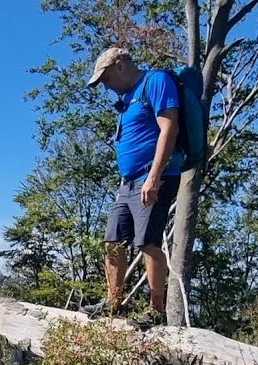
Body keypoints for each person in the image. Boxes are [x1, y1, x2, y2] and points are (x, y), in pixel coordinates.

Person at [82, 47, 183, 326]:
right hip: (127, 183)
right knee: (112, 241)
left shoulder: (156, 81)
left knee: (147, 242)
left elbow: (169, 128)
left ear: (120, 65)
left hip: (153, 177)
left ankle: (156, 311)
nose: (105, 86)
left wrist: (153, 176)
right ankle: (114, 304)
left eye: (105, 78)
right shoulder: (127, 99)